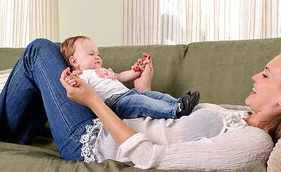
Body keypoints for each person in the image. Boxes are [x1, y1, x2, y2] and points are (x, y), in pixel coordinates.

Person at [0, 38, 281, 171]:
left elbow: (151, 158)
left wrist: (94, 101)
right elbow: (167, 127)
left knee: (38, 52)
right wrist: (145, 89)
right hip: (102, 119)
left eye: (264, 74)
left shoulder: (252, 145)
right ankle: (5, 134)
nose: (254, 78)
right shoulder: (240, 118)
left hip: (89, 142)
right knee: (45, 62)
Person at [60, 36, 200, 119]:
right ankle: (174, 111)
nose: (97, 57)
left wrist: (136, 71)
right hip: (115, 103)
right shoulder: (82, 75)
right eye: (91, 54)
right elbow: (75, 87)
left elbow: (120, 76)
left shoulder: (103, 70)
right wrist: (71, 79)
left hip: (128, 94)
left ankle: (179, 102)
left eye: (97, 54)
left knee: (153, 95)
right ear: (74, 61)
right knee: (143, 102)